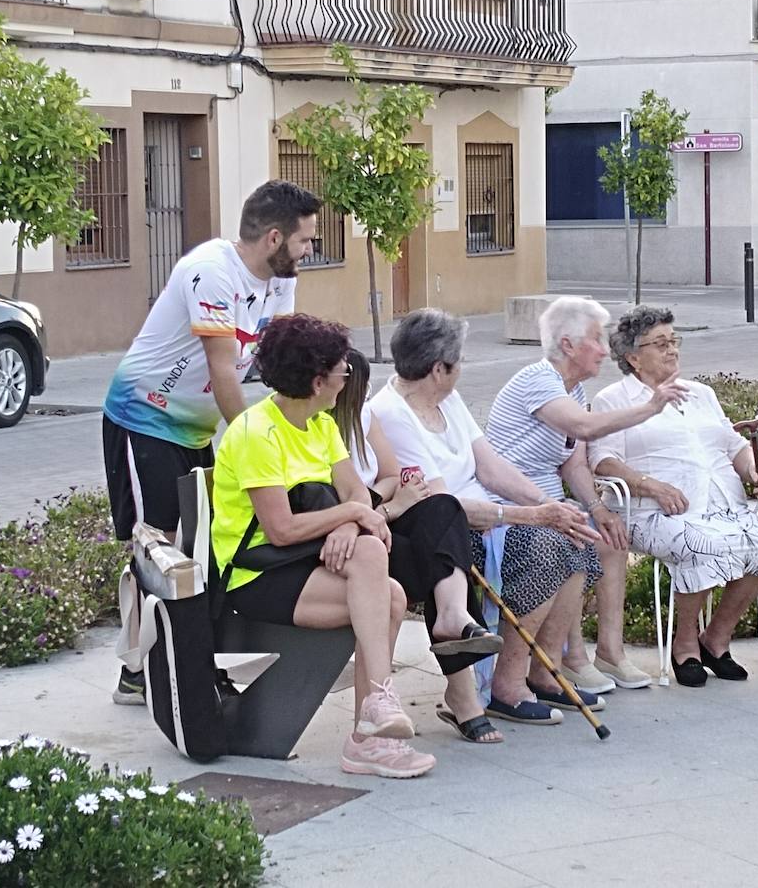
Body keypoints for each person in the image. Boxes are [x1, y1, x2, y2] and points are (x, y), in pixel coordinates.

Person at [103, 179, 320, 704]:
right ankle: (136, 670)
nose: (310, 250)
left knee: (199, 547)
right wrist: (260, 449)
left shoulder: (280, 279)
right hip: (144, 418)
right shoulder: (211, 273)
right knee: (155, 545)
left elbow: (280, 362)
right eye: (306, 240)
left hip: (196, 426)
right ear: (274, 238)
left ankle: (185, 657)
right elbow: (224, 372)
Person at [211, 314, 435, 778]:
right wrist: (353, 516)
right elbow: (282, 530)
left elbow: (355, 492)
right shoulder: (258, 434)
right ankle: (368, 730)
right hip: (254, 576)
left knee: (384, 583)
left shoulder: (320, 424)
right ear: (318, 381)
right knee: (387, 591)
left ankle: (372, 717)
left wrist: (350, 525)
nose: (346, 379)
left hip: (301, 563)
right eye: (341, 371)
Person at [370, 308, 605, 727]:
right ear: (439, 369)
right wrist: (535, 515)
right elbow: (445, 505)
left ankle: (543, 671)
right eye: (459, 361)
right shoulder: (391, 413)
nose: (463, 368)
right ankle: (506, 687)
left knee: (576, 538)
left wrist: (554, 509)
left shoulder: (447, 398)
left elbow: (490, 466)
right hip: (449, 535)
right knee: (548, 549)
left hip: (489, 515)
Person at [485, 297, 685, 693]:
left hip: (549, 503)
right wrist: (650, 407)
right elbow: (585, 427)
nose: (605, 349)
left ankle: (604, 654)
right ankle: (559, 661)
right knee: (573, 540)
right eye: (596, 338)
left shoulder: (572, 390)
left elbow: (574, 465)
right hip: (511, 506)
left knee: (608, 536)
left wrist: (598, 507)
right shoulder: (537, 379)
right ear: (567, 345)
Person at [589, 306, 758, 687]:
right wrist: (650, 485)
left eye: (673, 341)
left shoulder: (700, 394)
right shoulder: (615, 398)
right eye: (660, 344)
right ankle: (685, 643)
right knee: (701, 545)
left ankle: (716, 639)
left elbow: (732, 443)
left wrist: (756, 470)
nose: (672, 350)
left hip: (720, 503)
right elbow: (603, 460)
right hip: (652, 508)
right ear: (632, 356)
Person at [332, 349, 504, 745]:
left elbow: (391, 475)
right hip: (349, 547)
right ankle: (462, 694)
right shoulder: (315, 432)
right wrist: (390, 507)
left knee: (442, 509)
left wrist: (387, 503)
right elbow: (335, 508)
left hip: (377, 528)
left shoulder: (363, 418)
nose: (364, 398)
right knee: (437, 559)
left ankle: (452, 615)